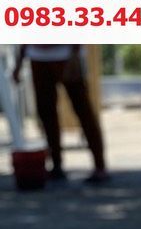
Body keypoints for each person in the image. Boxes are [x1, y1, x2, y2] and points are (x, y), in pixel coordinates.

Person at [12, 45, 109, 184]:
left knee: (83, 110)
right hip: (38, 56)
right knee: (46, 113)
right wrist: (19, 62)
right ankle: (56, 165)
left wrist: (74, 53)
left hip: (66, 54)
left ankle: (100, 165)